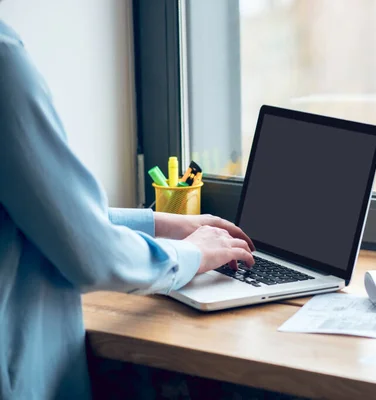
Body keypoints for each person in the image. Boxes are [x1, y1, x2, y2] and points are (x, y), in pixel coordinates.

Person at [0, 18, 255, 400]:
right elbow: (92, 257)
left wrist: (164, 224)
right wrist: (192, 254)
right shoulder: (4, 62)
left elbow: (40, 216)